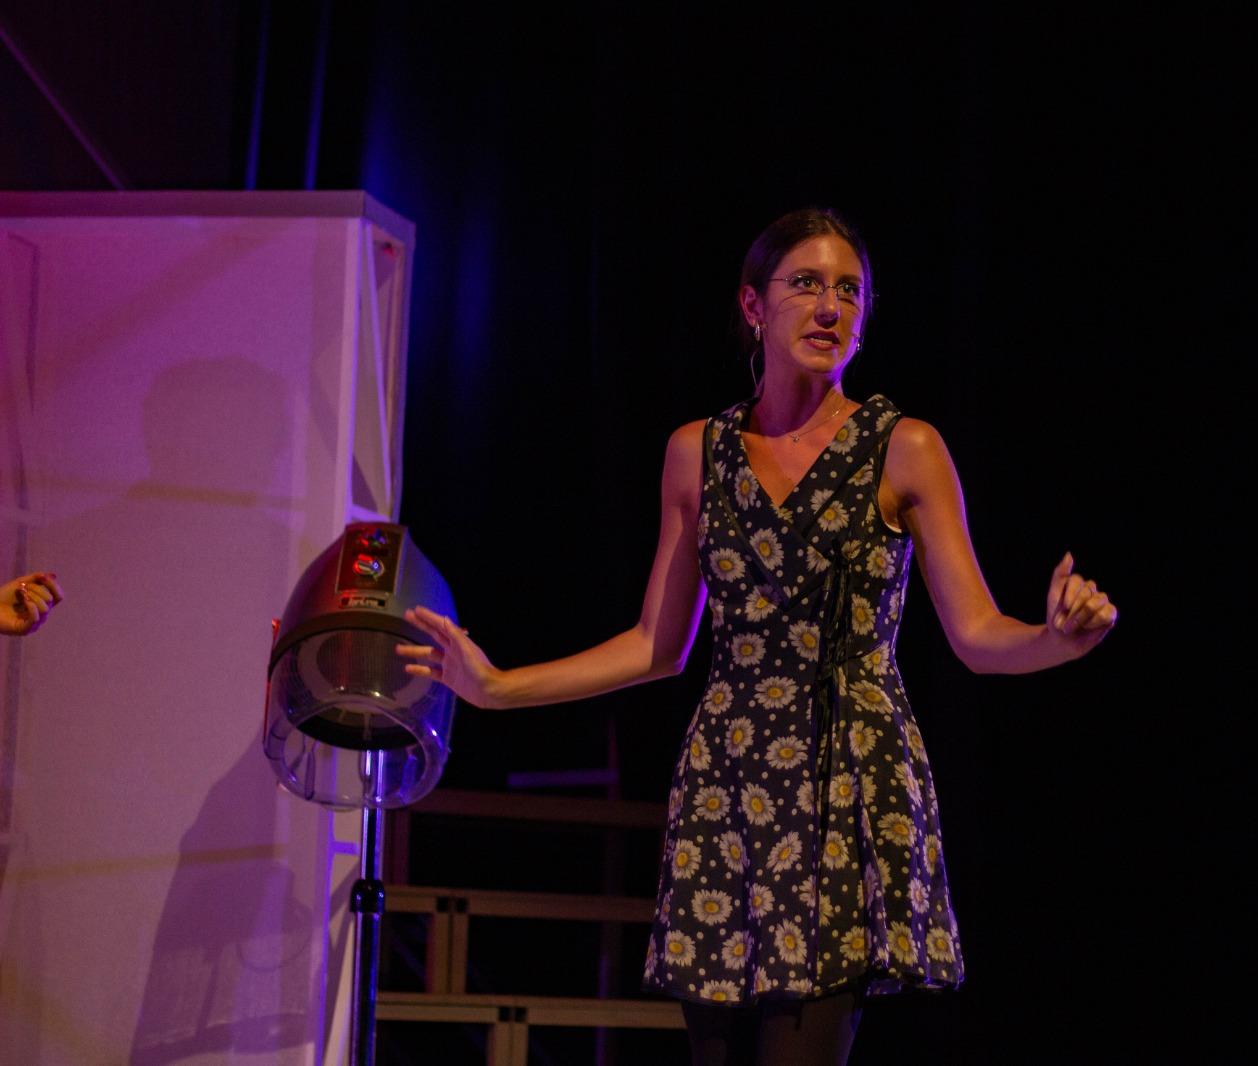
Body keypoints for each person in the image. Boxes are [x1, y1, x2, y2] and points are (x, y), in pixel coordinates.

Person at [397, 207, 1117, 1065]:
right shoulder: (696, 453)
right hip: (727, 787)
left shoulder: (905, 447)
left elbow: (977, 633)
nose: (830, 308)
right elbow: (656, 644)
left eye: (849, 291)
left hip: (847, 782)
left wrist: (1054, 639)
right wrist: (496, 687)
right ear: (752, 305)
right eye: (805, 284)